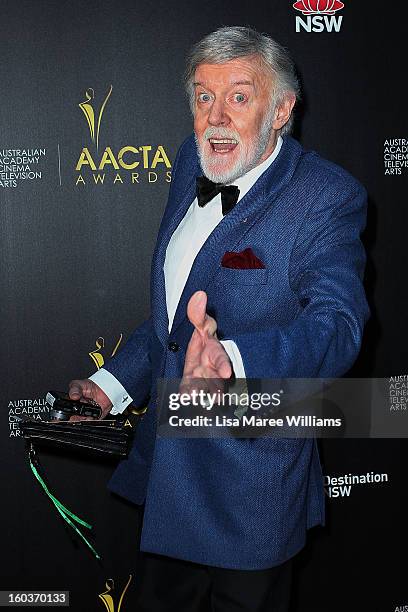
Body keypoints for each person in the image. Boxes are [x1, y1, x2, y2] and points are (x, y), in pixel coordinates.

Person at [69, 26, 369, 611]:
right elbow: (173, 323)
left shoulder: (326, 196)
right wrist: (111, 385)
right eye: (203, 96)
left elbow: (338, 325)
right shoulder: (191, 159)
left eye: (238, 95)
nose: (215, 116)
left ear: (282, 109)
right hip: (167, 482)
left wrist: (233, 360)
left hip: (249, 496)